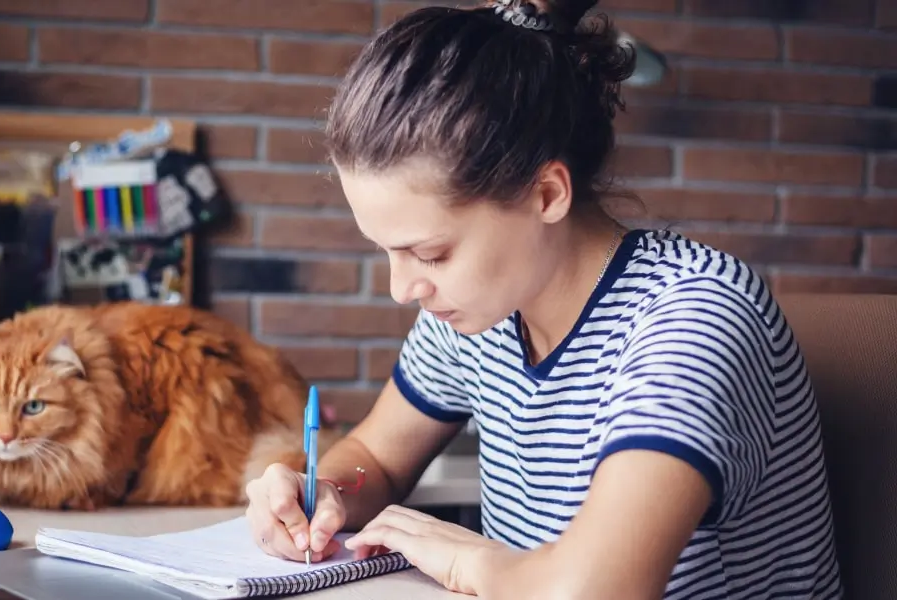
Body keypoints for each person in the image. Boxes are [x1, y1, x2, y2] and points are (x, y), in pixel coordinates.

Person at [242, 1, 844, 598]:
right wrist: (324, 493)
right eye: (387, 251)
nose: (403, 290)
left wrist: (467, 562)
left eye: (430, 254)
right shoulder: (474, 316)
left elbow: (599, 591)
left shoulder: (694, 316)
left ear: (548, 193)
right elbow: (378, 454)